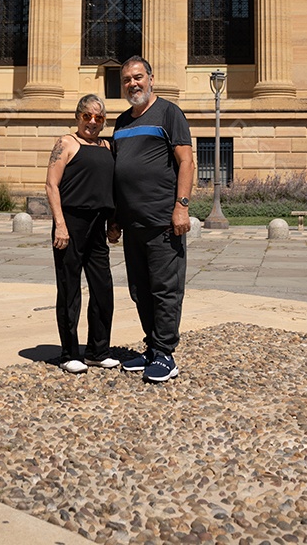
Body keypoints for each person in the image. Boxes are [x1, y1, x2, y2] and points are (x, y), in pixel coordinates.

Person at [109, 57, 194, 382]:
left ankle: (165, 354)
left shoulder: (169, 113)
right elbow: (119, 173)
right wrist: (115, 219)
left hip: (163, 221)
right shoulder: (120, 123)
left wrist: (181, 206)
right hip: (132, 224)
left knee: (165, 288)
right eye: (127, 79)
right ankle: (152, 347)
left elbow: (186, 161)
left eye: (138, 77)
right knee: (139, 289)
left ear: (151, 79)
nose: (133, 83)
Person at [45, 94, 118, 374]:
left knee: (103, 289)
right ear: (78, 116)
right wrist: (60, 225)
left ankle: (98, 351)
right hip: (71, 223)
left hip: (98, 225)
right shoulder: (66, 143)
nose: (92, 122)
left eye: (98, 118)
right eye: (87, 116)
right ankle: (68, 353)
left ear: (103, 121)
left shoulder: (108, 146)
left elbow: (111, 187)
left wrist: (113, 222)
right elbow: (52, 186)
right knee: (69, 290)